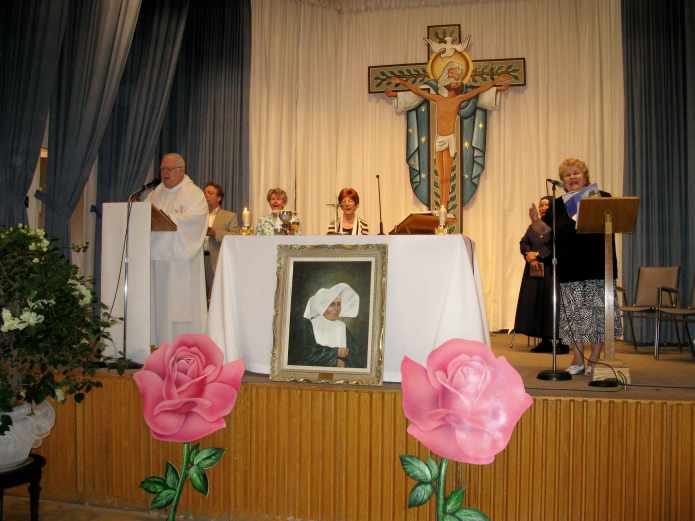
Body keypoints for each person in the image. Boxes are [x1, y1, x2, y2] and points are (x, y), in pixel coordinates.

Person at [531, 158, 619, 376]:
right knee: (575, 317)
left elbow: (617, 220)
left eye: (576, 173)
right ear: (562, 181)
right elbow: (546, 231)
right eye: (567, 175)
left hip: (599, 265)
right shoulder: (557, 205)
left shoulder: (601, 198)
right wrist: (535, 222)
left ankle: (596, 360)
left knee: (598, 316)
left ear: (585, 176)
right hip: (570, 268)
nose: (572, 177)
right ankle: (578, 359)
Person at [386, 68, 511, 209]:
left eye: (456, 83)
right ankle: (442, 206)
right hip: (439, 139)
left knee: (446, 176)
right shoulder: (438, 99)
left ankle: (444, 206)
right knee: (441, 176)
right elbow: (418, 91)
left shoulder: (459, 99)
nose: (454, 84)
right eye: (452, 83)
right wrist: (400, 83)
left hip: (449, 139)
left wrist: (496, 84)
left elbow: (478, 91)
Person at [145, 153, 208, 345]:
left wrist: (170, 217)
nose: (164, 173)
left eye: (169, 169)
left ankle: (186, 347)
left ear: (181, 170)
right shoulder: (155, 193)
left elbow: (195, 221)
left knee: (180, 307)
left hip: (181, 263)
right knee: (159, 305)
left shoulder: (194, 193)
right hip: (158, 261)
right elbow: (144, 216)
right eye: (163, 169)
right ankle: (156, 345)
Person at [513, 196, 569, 354]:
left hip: (553, 271)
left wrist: (538, 254)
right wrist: (527, 254)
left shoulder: (558, 224)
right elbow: (524, 242)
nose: (543, 208)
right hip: (535, 271)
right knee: (539, 305)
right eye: (541, 205)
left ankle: (559, 342)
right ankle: (544, 341)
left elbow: (556, 246)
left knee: (553, 305)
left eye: (547, 205)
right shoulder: (534, 226)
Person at [290, 283, 366, 368]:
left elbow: (354, 355)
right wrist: (336, 355)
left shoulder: (342, 326)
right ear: (323, 307)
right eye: (332, 304)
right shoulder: (311, 324)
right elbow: (308, 354)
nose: (337, 309)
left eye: (339, 304)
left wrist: (344, 364)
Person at [202, 182, 239, 301]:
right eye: (205, 192)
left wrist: (215, 233)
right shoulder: (197, 215)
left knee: (216, 296)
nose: (206, 195)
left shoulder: (229, 216)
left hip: (216, 259)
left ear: (219, 198)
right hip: (197, 258)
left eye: (210, 193)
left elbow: (236, 236)